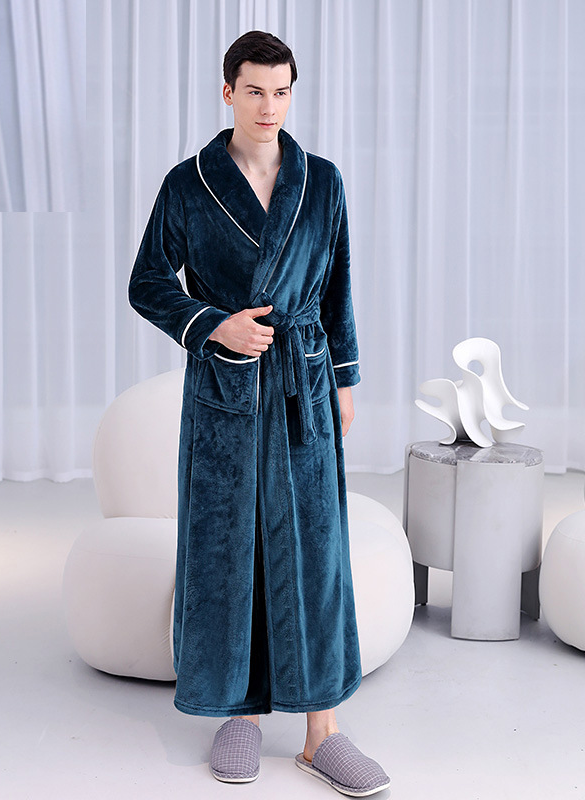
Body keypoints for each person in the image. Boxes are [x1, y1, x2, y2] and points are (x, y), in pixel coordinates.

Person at [128, 30, 390, 797]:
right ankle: (236, 713)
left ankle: (322, 733)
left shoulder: (323, 181)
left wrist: (343, 380)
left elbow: (338, 286)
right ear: (228, 93)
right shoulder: (188, 185)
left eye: (280, 92)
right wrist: (214, 325)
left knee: (314, 550)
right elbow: (148, 282)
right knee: (227, 548)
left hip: (305, 385)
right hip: (227, 389)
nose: (268, 106)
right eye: (254, 91)